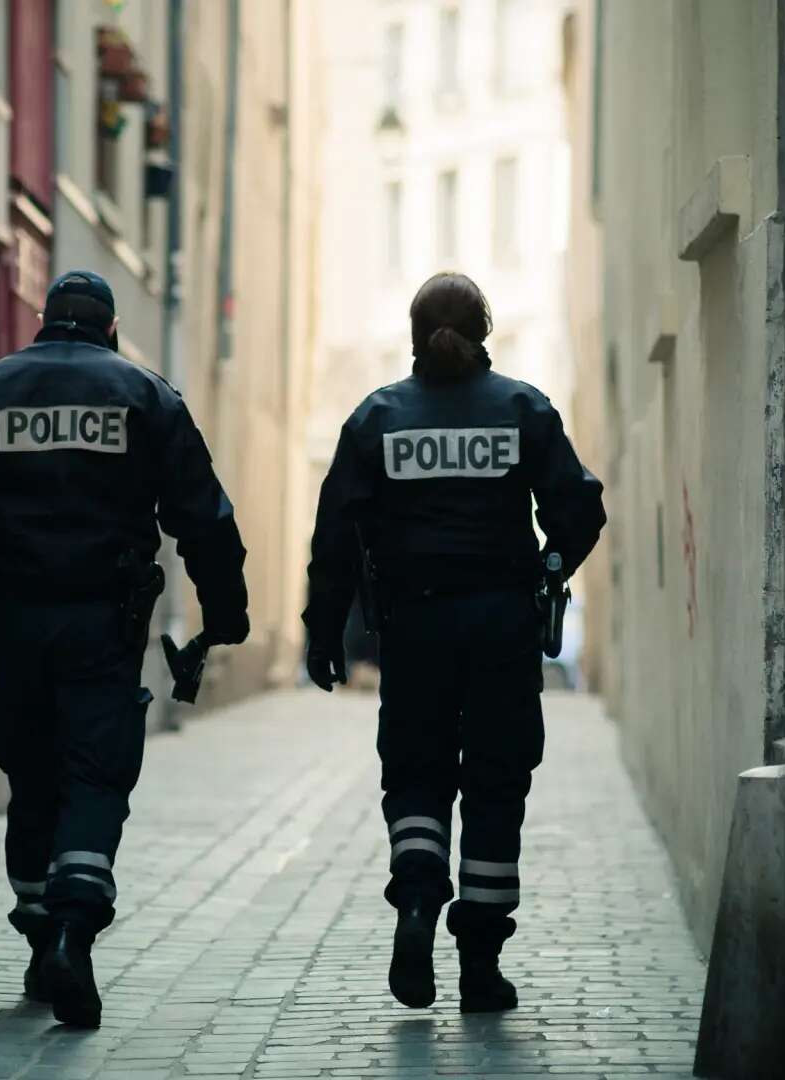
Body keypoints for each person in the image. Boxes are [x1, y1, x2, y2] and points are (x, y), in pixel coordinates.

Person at [0, 271, 250, 1028]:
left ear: (45, 322)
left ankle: (40, 938)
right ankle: (73, 931)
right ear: (110, 328)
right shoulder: (147, 396)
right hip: (104, 623)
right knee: (95, 775)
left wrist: (5, 509)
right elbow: (203, 516)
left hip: (13, 618)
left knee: (32, 774)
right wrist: (226, 614)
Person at [301, 272, 605, 1013]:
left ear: (413, 336)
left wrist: (323, 629)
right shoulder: (522, 409)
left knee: (415, 774)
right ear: (486, 331)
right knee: (496, 782)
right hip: (502, 626)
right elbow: (580, 509)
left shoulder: (378, 418)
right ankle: (479, 963)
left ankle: (415, 902)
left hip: (414, 630)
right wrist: (551, 565)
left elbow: (336, 534)